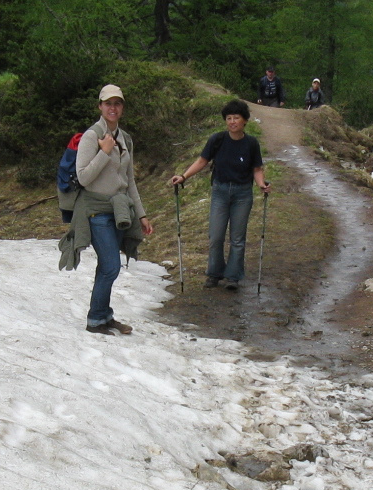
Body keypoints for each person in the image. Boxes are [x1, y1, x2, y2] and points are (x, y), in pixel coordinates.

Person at [58, 84, 154, 335]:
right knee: (111, 265)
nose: (113, 108)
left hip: (120, 209)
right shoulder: (92, 136)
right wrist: (104, 153)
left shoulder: (125, 139)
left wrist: (141, 214)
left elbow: (129, 180)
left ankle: (102, 316)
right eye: (108, 103)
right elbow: (83, 177)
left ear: (122, 107)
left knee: (108, 266)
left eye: (117, 103)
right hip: (96, 210)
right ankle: (95, 319)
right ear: (100, 106)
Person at [169, 100, 270, 289]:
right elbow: (202, 161)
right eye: (229, 118)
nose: (232, 122)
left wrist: (261, 184)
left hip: (242, 193)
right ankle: (214, 273)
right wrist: (184, 176)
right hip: (220, 191)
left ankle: (233, 276)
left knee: (237, 238)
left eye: (236, 118)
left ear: (245, 121)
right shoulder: (217, 139)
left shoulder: (251, 143)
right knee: (215, 236)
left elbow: (257, 169)